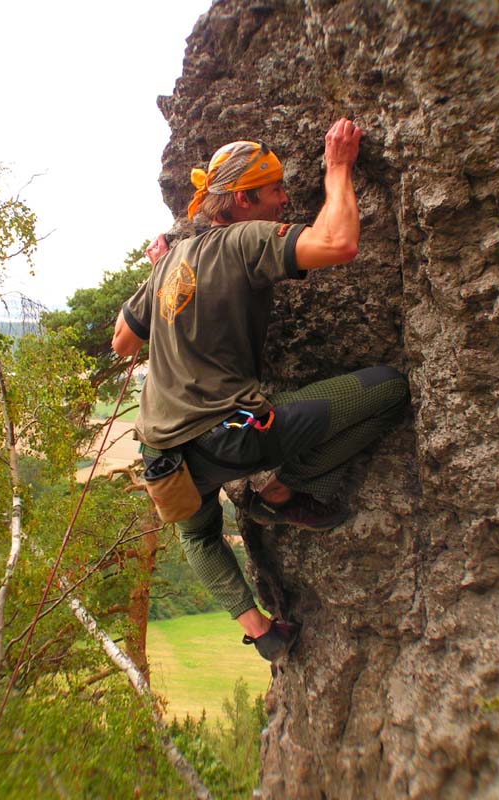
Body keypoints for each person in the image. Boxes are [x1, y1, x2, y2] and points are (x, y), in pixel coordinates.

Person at [112, 119, 409, 661]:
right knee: (389, 389)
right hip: (230, 438)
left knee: (199, 535)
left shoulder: (169, 263)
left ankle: (263, 631)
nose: (285, 198)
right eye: (275, 190)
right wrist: (338, 167)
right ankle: (283, 487)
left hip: (161, 453)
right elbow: (337, 243)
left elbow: (123, 342)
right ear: (244, 200)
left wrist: (155, 279)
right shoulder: (242, 240)